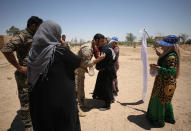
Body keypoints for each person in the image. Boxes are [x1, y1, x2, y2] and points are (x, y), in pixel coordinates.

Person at [27, 20, 105, 131]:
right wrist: (97, 60)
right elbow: (80, 62)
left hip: (38, 100)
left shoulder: (33, 51)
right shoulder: (60, 51)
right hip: (58, 102)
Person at [1, 16, 43, 130]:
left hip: (34, 74)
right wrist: (19, 67)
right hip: (24, 75)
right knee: (25, 102)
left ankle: (34, 121)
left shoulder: (34, 36)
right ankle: (28, 127)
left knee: (35, 98)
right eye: (39, 27)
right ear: (33, 26)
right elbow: (6, 49)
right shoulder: (23, 35)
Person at [147, 35, 180, 127]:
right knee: (163, 100)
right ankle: (167, 117)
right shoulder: (167, 53)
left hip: (166, 84)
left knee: (161, 101)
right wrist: (159, 55)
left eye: (163, 45)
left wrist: (158, 68)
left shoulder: (172, 57)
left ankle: (159, 120)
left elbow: (172, 71)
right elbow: (164, 62)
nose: (161, 46)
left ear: (169, 46)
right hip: (161, 82)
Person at [92, 33, 116, 109]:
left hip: (106, 72)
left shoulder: (104, 50)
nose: (103, 42)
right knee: (103, 85)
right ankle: (110, 99)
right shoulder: (107, 48)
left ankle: (107, 105)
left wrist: (97, 66)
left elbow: (100, 62)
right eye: (101, 41)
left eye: (103, 41)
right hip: (108, 70)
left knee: (106, 87)